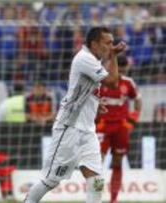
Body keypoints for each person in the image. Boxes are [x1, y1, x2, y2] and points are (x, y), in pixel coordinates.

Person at [24, 27, 126, 203]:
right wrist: (114, 56)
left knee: (97, 179)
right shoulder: (85, 59)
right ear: (94, 44)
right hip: (69, 128)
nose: (111, 46)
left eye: (112, 43)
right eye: (107, 43)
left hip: (87, 130)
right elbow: (113, 82)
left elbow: (85, 87)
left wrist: (94, 102)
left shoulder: (92, 59)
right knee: (51, 180)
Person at [96, 54, 141, 203]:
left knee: (117, 162)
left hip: (120, 128)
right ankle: (95, 197)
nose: (121, 69)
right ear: (110, 66)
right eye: (118, 65)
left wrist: (132, 121)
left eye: (123, 66)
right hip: (102, 127)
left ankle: (113, 199)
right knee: (97, 164)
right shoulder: (100, 82)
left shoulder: (128, 83)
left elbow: (137, 100)